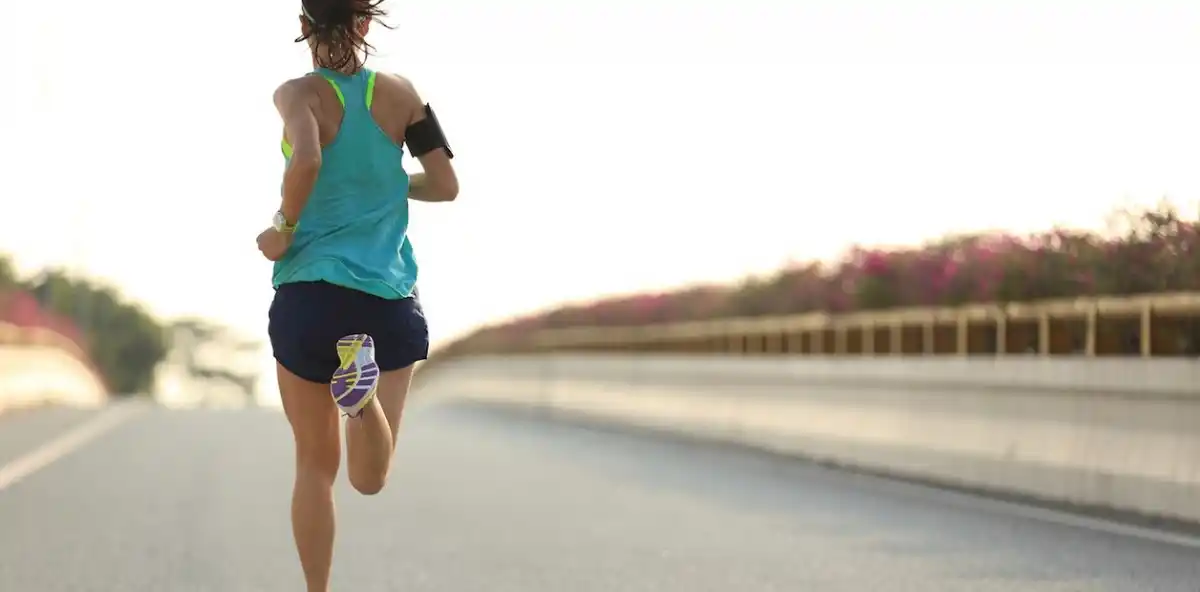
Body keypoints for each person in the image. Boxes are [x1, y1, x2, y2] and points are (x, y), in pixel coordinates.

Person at [255, 0, 458, 589]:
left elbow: (309, 159)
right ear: (366, 23)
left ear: (302, 26)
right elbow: (445, 185)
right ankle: (360, 396)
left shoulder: (297, 95)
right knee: (370, 477)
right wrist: (390, 186)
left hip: (311, 297)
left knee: (315, 467)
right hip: (387, 301)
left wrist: (283, 228)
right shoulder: (401, 95)